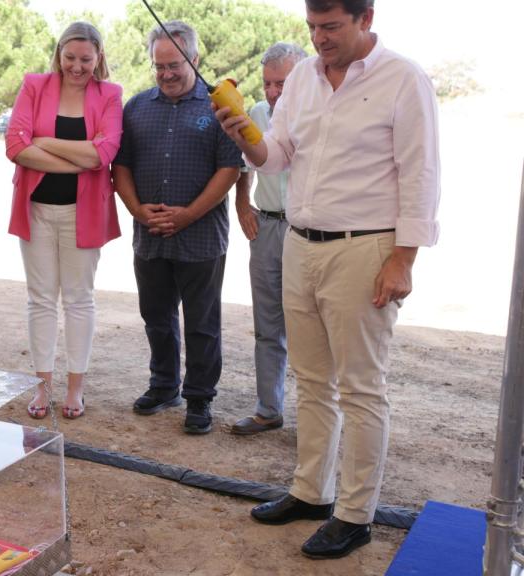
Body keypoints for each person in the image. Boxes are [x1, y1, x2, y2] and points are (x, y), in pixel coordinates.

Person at [214, 0, 440, 559]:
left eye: (331, 27)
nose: (319, 39)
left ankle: (356, 514)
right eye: (313, 27)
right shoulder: (304, 82)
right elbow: (277, 156)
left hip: (366, 248)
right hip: (300, 242)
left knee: (361, 387)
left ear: (366, 18)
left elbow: (421, 172)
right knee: (312, 379)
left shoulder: (403, 79)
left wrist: (403, 258)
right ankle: (312, 492)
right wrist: (244, 134)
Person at [112, 21, 242, 435]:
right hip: (149, 236)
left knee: (202, 322)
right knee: (156, 316)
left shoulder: (220, 108)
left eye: (174, 65)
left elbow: (230, 169)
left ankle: (199, 397)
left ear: (195, 60)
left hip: (201, 237)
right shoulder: (135, 107)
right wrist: (136, 210)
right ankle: (164, 384)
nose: (166, 74)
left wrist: (188, 214)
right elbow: (121, 166)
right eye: (159, 66)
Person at [5, 21, 122, 421]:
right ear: (58, 54)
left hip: (83, 214)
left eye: (85, 59)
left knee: (78, 300)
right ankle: (41, 386)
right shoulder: (34, 85)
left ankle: (75, 387)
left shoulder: (110, 94)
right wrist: (79, 158)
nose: (76, 66)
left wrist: (46, 144)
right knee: (40, 299)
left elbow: (102, 155)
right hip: (36, 210)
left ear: (98, 58)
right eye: (69, 57)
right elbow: (14, 146)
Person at [228, 43, 307, 436]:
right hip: (266, 228)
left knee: (311, 327)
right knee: (267, 323)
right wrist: (242, 203)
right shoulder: (258, 112)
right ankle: (268, 409)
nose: (274, 92)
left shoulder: (315, 112)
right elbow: (246, 164)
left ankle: (315, 421)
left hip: (306, 231)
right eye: (268, 83)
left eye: (282, 83)